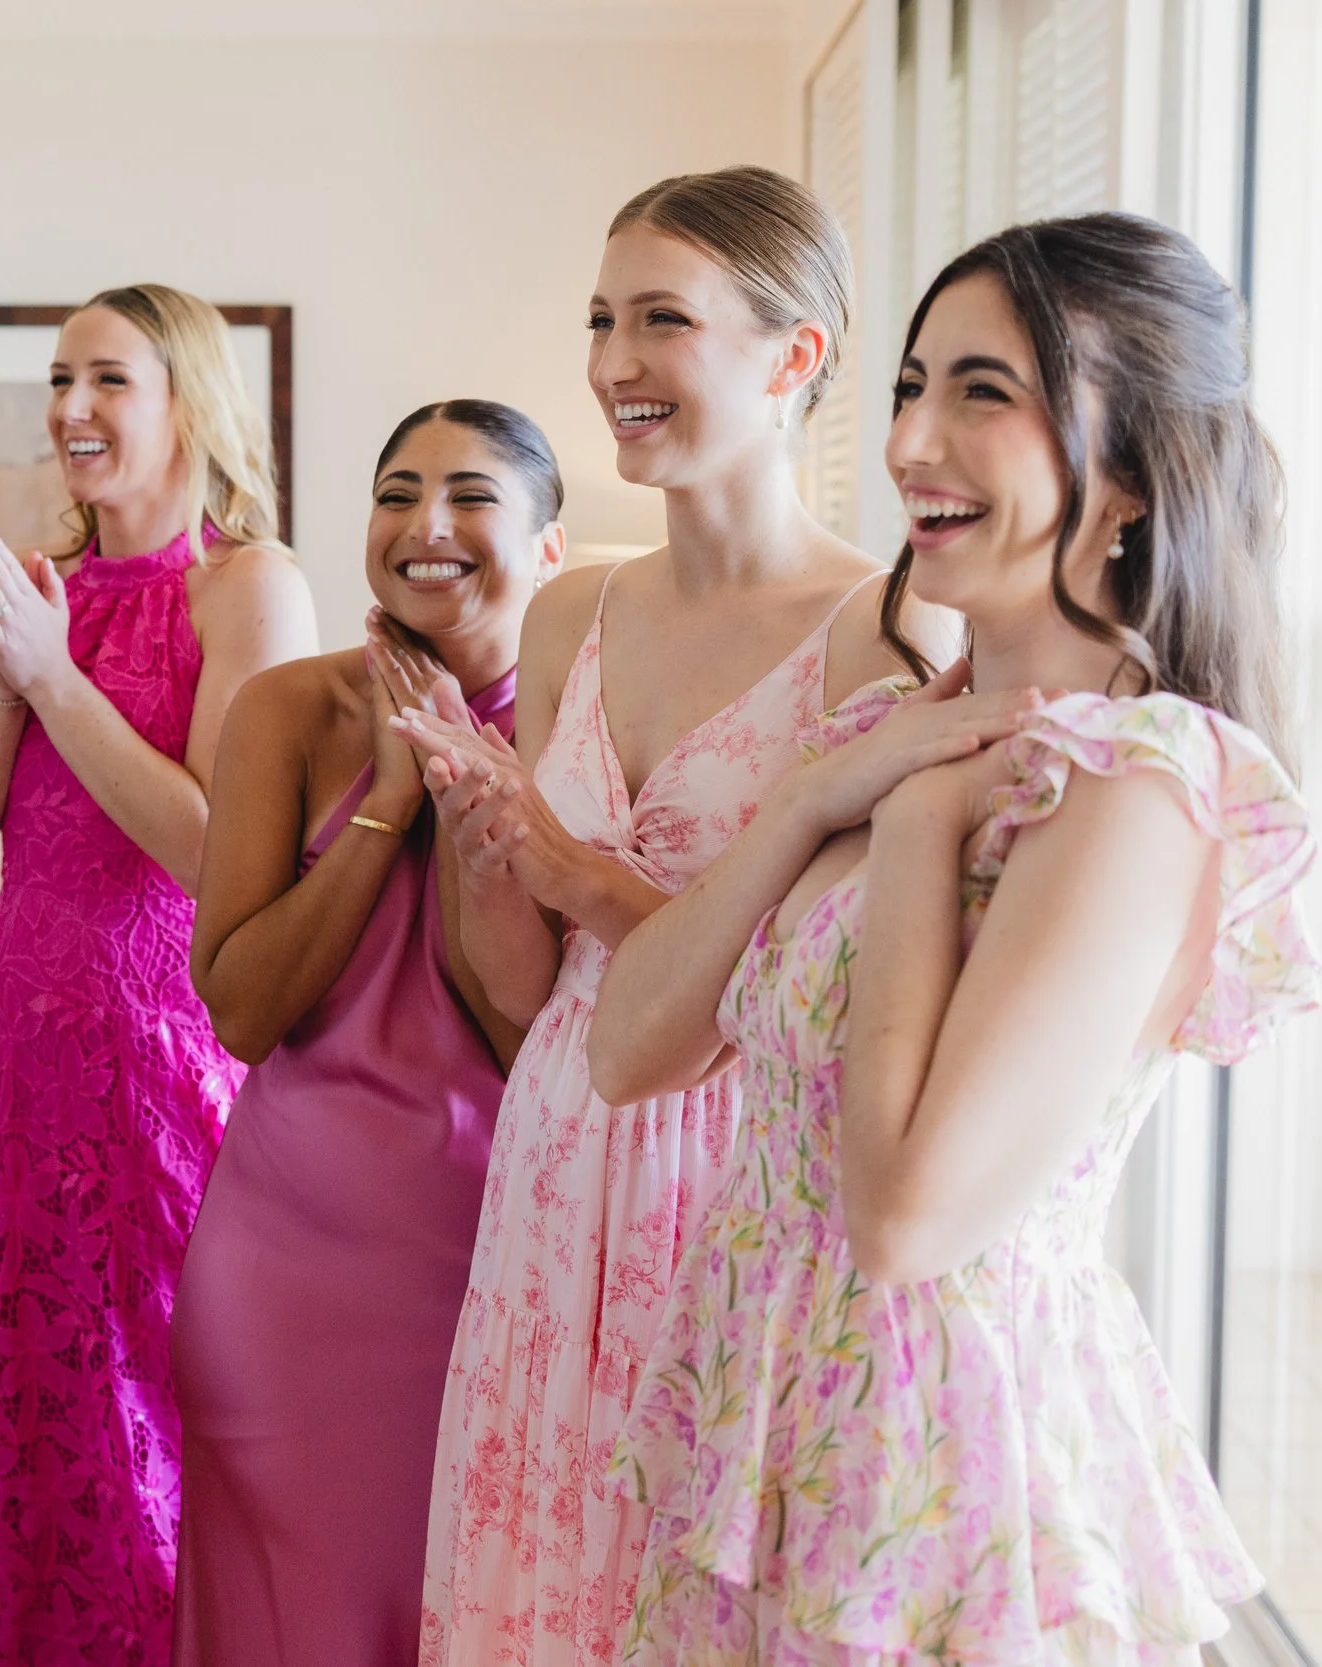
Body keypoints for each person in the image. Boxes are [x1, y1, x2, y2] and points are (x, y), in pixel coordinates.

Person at [605, 214, 1319, 1666]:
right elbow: (629, 1048)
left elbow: (908, 1217)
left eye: (983, 394)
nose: (915, 440)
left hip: (938, 1470)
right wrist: (814, 795)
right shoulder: (889, 731)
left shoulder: (1140, 779)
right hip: (772, 1419)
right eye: (911, 386)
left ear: (1129, 475)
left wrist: (921, 834)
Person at [386, 166, 1008, 1667]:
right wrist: (487, 856)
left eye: (662, 318)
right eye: (603, 318)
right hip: (555, 1152)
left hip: (745, 1171)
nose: (612, 362)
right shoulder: (565, 613)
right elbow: (527, 992)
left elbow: (846, 983)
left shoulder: (892, 624)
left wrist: (583, 873)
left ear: (795, 357)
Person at [0, 283, 319, 1662]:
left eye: (107, 381)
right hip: (22, 1061)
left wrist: (56, 677)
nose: (70, 410)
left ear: (189, 401)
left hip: (166, 1055)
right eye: (59, 380)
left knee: (168, 1411)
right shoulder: (37, 589)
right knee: (49, 1415)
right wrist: (2, 660)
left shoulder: (249, 585)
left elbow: (217, 845)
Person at [172, 401, 567, 1666]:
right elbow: (239, 1007)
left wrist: (462, 782)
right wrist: (385, 807)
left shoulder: (583, 727)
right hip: (286, 1265)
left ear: (548, 546)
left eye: (470, 496)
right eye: (396, 492)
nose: (424, 526)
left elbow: (529, 1034)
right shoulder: (289, 710)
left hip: (493, 1255)